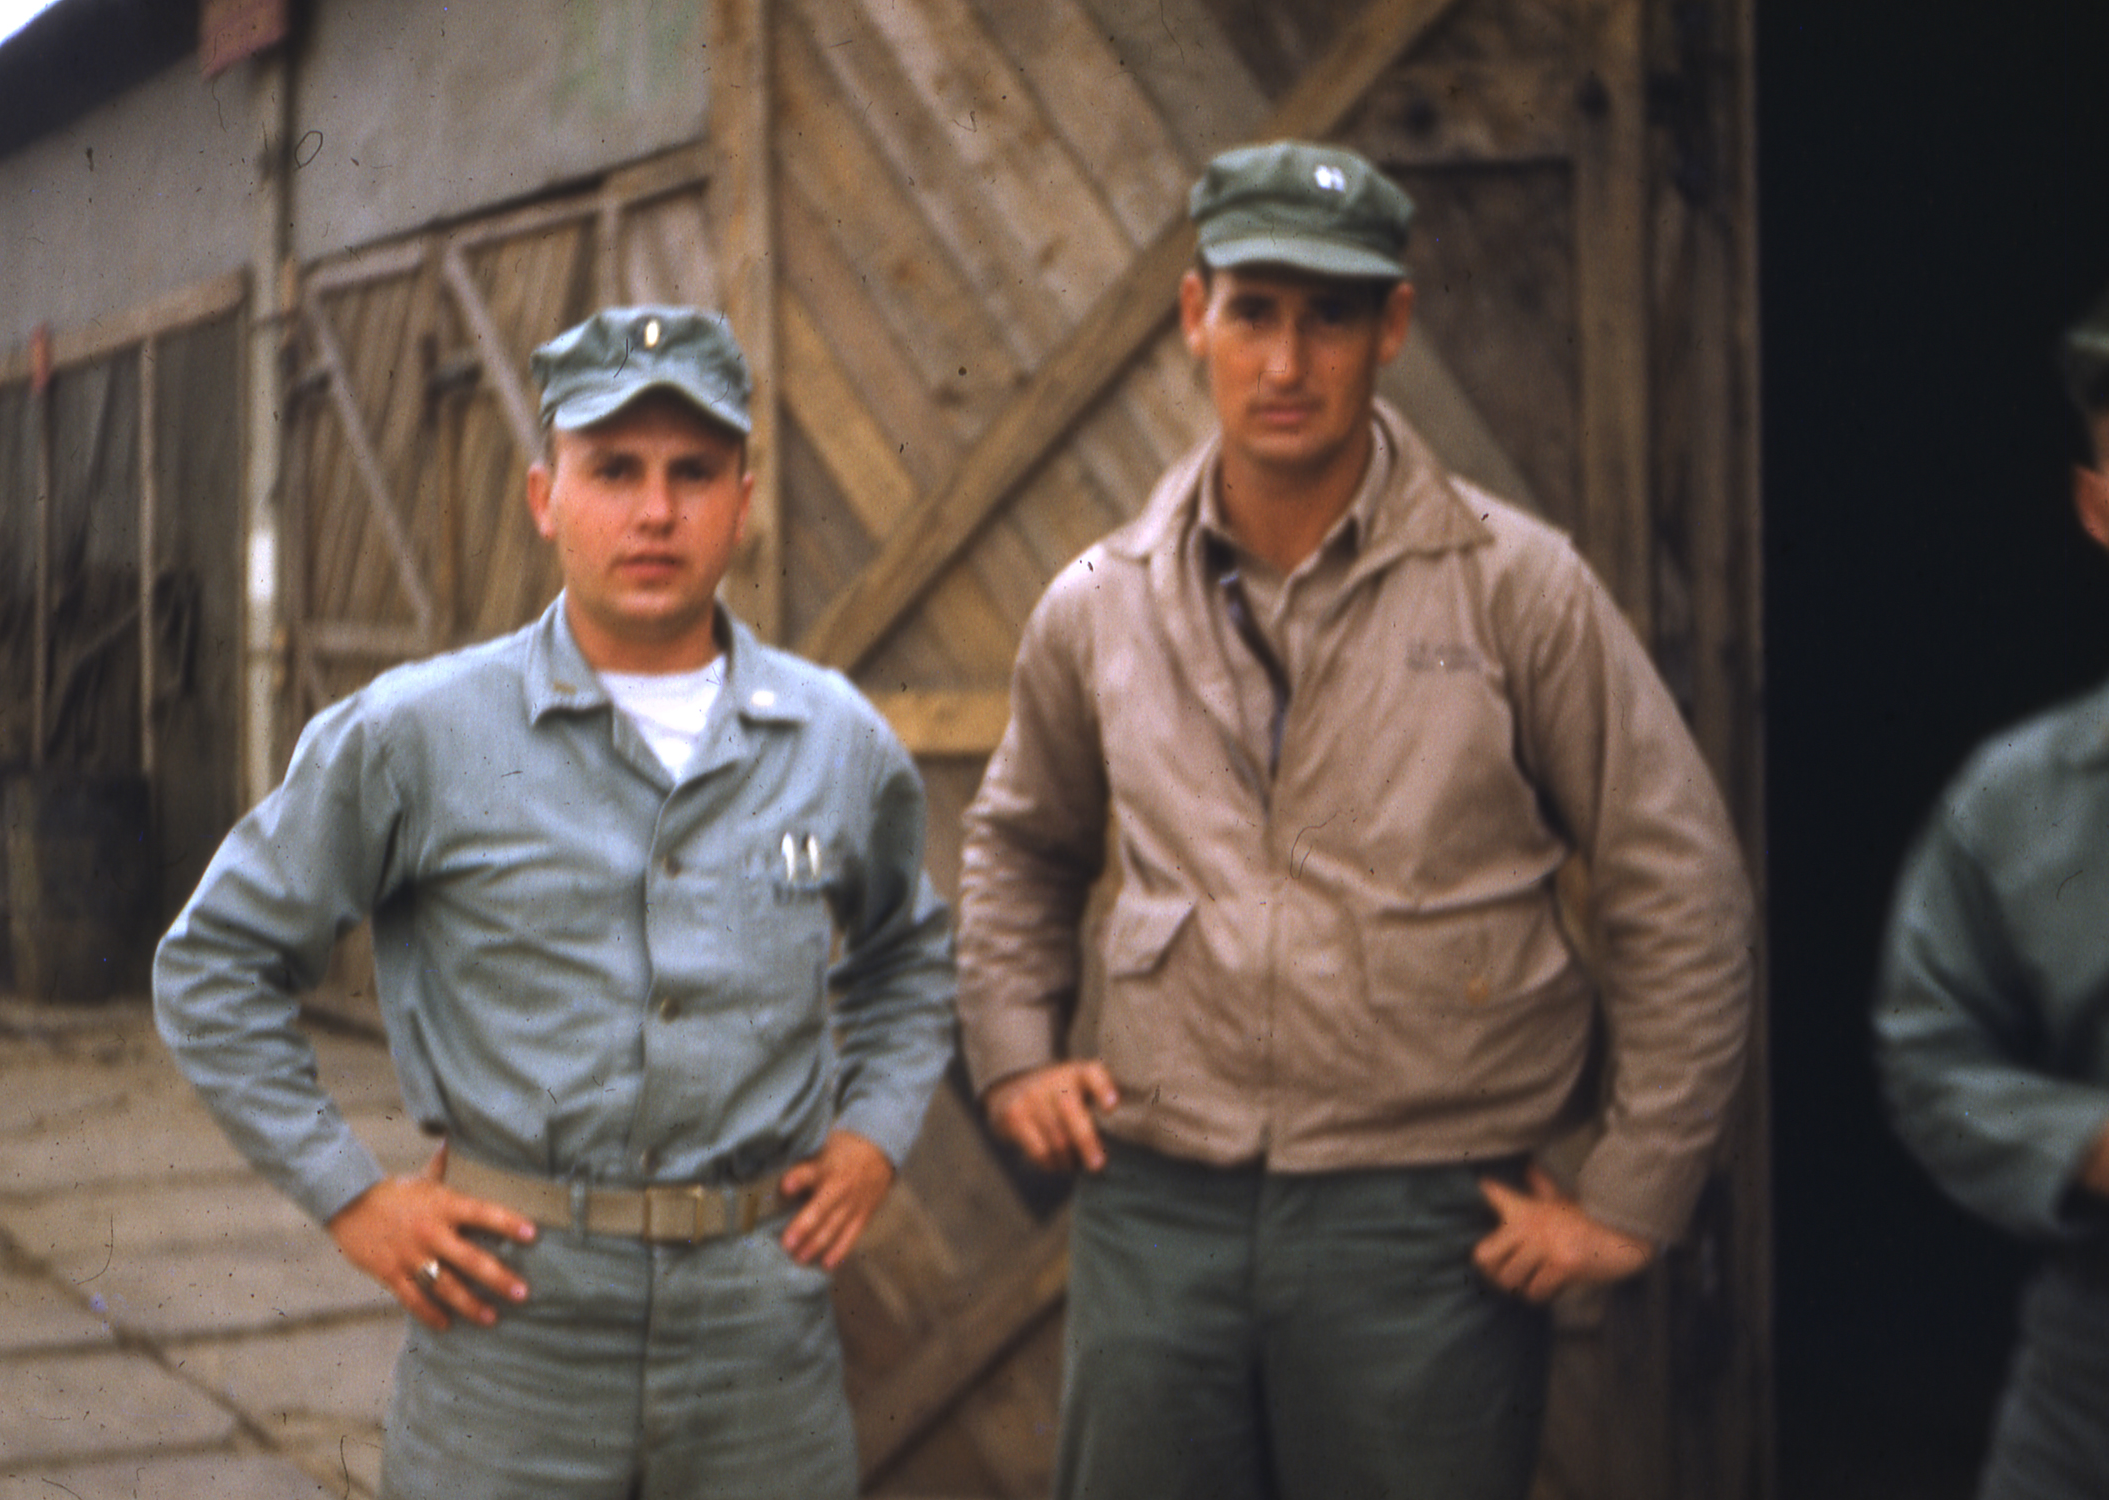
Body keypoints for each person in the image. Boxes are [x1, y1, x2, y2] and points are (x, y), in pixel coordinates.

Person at [955, 140, 1755, 1499]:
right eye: (1255, 311)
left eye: (1329, 316)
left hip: (1421, 1213)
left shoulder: (1515, 588)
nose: (1286, 362)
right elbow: (1021, 844)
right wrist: (1012, 1050)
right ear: (1192, 315)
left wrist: (1632, 1195)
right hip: (1161, 1200)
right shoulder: (1098, 602)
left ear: (1391, 326)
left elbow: (1674, 883)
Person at [153, 306, 955, 1499]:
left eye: (693, 474)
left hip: (758, 1328)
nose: (653, 511)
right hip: (512, 1320)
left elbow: (906, 959)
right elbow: (214, 963)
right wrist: (352, 1198)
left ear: (744, 499)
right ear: (544, 496)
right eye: (612, 470)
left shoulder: (834, 740)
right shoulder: (418, 734)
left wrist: (874, 1135)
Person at [1875, 284, 2109, 1500]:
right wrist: (2086, 1144)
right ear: (2096, 505)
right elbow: (1926, 1057)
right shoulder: (2013, 799)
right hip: (2087, 1368)